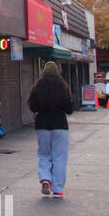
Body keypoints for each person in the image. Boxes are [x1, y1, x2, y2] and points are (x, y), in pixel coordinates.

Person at [29, 61, 75, 199]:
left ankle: (45, 179)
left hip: (42, 124)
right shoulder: (63, 87)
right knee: (60, 157)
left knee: (44, 154)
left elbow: (32, 107)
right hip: (60, 125)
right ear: (57, 72)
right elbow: (69, 109)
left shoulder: (38, 87)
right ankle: (58, 189)